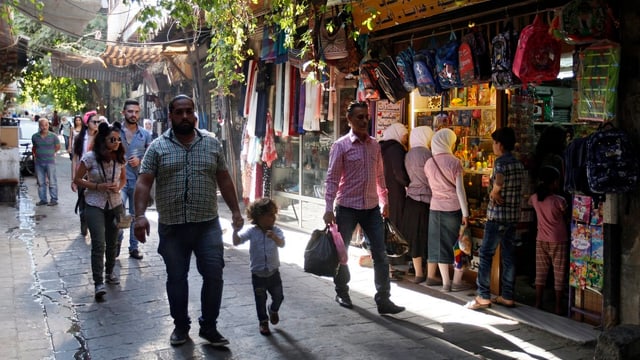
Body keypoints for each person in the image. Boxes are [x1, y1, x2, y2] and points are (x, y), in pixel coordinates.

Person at [133, 94, 244, 347]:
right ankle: (181, 327)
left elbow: (224, 179)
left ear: (194, 114)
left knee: (214, 274)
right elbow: (143, 182)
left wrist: (236, 211)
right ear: (170, 116)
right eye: (179, 112)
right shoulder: (157, 147)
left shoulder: (212, 143)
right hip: (172, 227)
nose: (185, 116)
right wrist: (139, 216)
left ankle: (209, 326)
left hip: (207, 224)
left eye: (189, 111)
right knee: (176, 278)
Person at [323, 100, 405, 315]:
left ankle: (384, 299)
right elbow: (331, 179)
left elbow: (380, 176)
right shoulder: (340, 146)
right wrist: (328, 207)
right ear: (349, 120)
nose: (363, 121)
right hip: (347, 207)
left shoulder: (375, 145)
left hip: (371, 208)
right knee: (343, 252)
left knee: (380, 253)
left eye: (366, 117)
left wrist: (384, 200)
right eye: (359, 117)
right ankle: (342, 290)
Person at [466, 127, 525, 310]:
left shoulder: (501, 162)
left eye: (494, 142)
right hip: (513, 215)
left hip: (497, 216)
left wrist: (494, 192)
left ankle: (483, 296)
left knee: (485, 254)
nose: (493, 146)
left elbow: (499, 180)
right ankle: (507, 295)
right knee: (508, 255)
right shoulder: (517, 163)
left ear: (500, 144)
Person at [73, 122, 126, 300]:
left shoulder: (120, 157)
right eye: (113, 139)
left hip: (116, 204)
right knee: (99, 243)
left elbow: (123, 179)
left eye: (119, 139)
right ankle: (98, 282)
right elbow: (78, 179)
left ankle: (110, 272)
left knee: (114, 241)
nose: (116, 142)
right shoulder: (90, 158)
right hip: (94, 203)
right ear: (103, 140)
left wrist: (118, 187)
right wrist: (97, 186)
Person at [424, 128, 471, 292]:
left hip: (435, 208)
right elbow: (460, 191)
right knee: (457, 245)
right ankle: (457, 281)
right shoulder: (454, 162)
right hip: (453, 209)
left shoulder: (429, 163)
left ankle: (446, 283)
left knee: (439, 245)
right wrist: (466, 213)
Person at [232, 198, 285, 336]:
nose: (273, 218)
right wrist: (235, 231)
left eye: (274, 214)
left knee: (279, 296)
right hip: (258, 275)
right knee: (260, 300)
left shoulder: (276, 231)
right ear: (258, 217)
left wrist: (274, 238)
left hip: (273, 273)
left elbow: (282, 244)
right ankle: (263, 322)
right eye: (269, 215)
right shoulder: (252, 232)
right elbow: (237, 242)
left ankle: (273, 309)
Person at [529, 166, 568, 315]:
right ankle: (558, 306)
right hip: (559, 239)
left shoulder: (534, 198)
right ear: (553, 183)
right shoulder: (560, 201)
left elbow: (529, 202)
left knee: (540, 272)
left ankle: (538, 302)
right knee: (559, 273)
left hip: (541, 239)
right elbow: (566, 215)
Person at [118, 99, 153, 260]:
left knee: (136, 214)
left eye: (136, 112)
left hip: (138, 181)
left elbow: (151, 156)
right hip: (118, 182)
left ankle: (134, 247)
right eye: (130, 111)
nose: (133, 115)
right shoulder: (115, 132)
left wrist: (141, 159)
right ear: (123, 112)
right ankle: (116, 242)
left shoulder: (145, 135)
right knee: (118, 213)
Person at [402, 126, 434, 284]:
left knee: (414, 237)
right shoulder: (428, 154)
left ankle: (418, 273)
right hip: (427, 200)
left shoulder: (408, 155)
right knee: (427, 236)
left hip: (412, 199)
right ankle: (430, 273)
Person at [379, 123, 410, 281]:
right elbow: (399, 172)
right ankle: (393, 263)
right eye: (405, 135)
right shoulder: (396, 149)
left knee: (386, 228)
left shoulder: (382, 147)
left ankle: (387, 264)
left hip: (382, 192)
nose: (406, 138)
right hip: (394, 193)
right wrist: (408, 183)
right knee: (394, 228)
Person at [71, 111, 100, 236]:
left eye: (98, 122)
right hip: (82, 174)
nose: (97, 124)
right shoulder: (80, 138)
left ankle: (94, 225)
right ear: (87, 123)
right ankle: (84, 221)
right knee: (82, 200)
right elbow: (75, 159)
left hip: (97, 174)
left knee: (95, 201)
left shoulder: (101, 138)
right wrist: (73, 178)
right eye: (94, 122)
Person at [32, 117, 61, 206]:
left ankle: (54, 199)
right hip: (39, 163)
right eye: (42, 125)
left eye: (46, 125)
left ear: (48, 125)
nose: (44, 127)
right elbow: (34, 147)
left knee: (52, 181)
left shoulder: (53, 136)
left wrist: (51, 153)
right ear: (39, 126)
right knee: (41, 182)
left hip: (50, 162)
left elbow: (57, 147)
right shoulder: (35, 136)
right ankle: (43, 199)